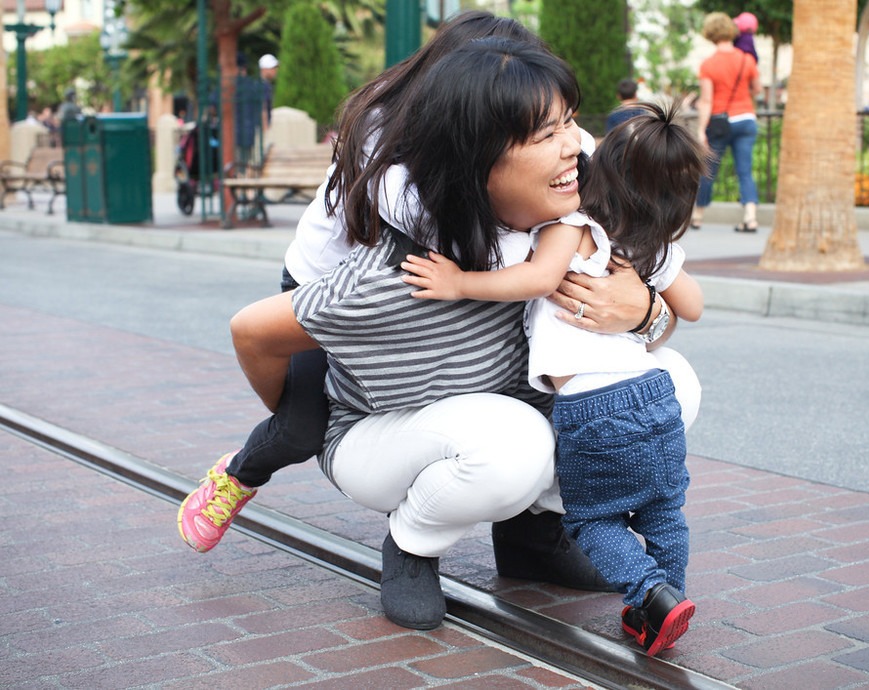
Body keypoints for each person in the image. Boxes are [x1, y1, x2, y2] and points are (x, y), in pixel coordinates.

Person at [177, 14, 699, 629]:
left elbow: (661, 284)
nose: (572, 147)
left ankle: (535, 542)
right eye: (539, 126)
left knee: (661, 388)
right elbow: (260, 327)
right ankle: (405, 542)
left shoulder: (564, 182)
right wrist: (316, 396)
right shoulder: (400, 194)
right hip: (324, 296)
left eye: (565, 120)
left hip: (482, 296)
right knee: (305, 424)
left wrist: (642, 311)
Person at [401, 100, 707, 654]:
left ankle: (651, 593)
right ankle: (668, 601)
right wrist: (647, 292)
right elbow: (695, 306)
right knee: (664, 510)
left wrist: (459, 283)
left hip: (595, 407)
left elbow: (538, 278)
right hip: (655, 398)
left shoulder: (575, 224)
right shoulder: (653, 245)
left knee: (593, 522)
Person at [691, 12, 762, 233]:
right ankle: (750, 217)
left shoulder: (708, 65)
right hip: (747, 119)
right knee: (745, 170)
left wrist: (701, 129)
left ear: (710, 35)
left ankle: (698, 215)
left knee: (709, 168)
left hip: (721, 123)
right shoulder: (747, 59)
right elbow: (757, 90)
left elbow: (706, 100)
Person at [258, 53, 279, 129]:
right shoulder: (263, 86)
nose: (275, 71)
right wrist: (265, 128)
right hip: (261, 129)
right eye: (272, 68)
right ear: (264, 69)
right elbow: (263, 108)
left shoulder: (266, 85)